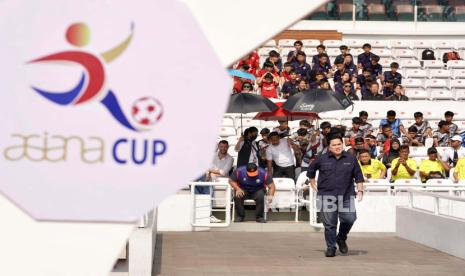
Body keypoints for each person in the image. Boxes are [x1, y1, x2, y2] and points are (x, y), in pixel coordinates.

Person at [306, 135, 364, 257]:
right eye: (334, 145)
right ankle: (331, 247)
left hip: (346, 196)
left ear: (342, 144)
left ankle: (341, 238)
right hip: (327, 196)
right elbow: (311, 169)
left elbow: (358, 176)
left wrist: (360, 191)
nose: (337, 147)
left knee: (350, 219)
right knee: (330, 224)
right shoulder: (321, 159)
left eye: (339, 144)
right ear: (329, 147)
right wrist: (312, 181)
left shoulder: (351, 158)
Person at [195, 140, 234, 222]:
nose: (223, 148)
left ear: (228, 147)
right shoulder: (211, 156)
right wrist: (210, 172)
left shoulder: (230, 158)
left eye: (225, 147)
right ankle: (200, 212)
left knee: (206, 184)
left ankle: (208, 214)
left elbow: (223, 172)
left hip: (222, 180)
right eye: (221, 147)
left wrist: (210, 171)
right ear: (218, 147)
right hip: (209, 177)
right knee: (195, 181)